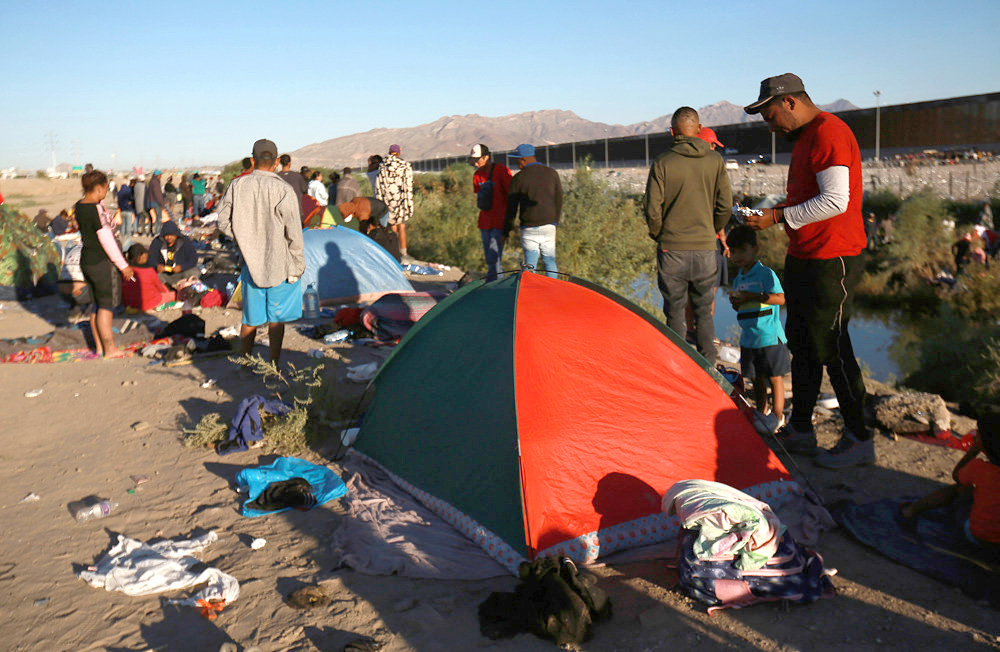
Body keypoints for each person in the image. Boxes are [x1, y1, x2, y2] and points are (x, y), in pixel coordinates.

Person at [742, 73, 872, 468]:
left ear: (791, 103)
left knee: (833, 347)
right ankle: (801, 429)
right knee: (803, 343)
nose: (769, 125)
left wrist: (777, 216)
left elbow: (835, 201)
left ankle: (859, 439)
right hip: (807, 255)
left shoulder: (828, 133)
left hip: (832, 259)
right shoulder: (804, 138)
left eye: (770, 116)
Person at [643, 107, 732, 362]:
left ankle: (678, 368)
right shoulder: (715, 161)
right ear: (699, 129)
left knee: (675, 313)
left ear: (672, 132)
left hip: (672, 249)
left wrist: (659, 233)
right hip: (706, 249)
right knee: (704, 312)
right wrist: (711, 229)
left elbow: (652, 208)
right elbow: (725, 205)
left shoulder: (663, 161)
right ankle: (710, 367)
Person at [217, 138, 305, 363]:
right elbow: (294, 231)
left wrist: (244, 239)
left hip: (250, 263)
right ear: (276, 161)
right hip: (280, 262)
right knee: (277, 319)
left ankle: (244, 363)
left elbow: (222, 222)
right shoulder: (283, 189)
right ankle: (274, 364)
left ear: (252, 160)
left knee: (250, 319)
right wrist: (297, 261)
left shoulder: (237, 185)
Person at [901, 410, 1000, 549]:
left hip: (978, 536)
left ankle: (911, 510)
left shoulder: (979, 468)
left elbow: (957, 475)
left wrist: (973, 450)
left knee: (960, 489)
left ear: (983, 442)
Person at [727, 225, 791, 432]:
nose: (738, 256)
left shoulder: (765, 274)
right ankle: (761, 412)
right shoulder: (738, 278)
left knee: (774, 377)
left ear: (755, 249)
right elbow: (740, 306)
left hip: (769, 337)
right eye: (734, 251)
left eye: (743, 250)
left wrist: (755, 296)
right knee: (756, 378)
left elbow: (781, 299)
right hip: (748, 338)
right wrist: (736, 302)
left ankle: (778, 416)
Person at [75, 170, 134, 357]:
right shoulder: (95, 209)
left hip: (87, 260)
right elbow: (106, 239)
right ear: (99, 188)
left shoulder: (79, 206)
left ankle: (99, 347)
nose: (106, 192)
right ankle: (109, 348)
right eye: (105, 189)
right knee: (106, 306)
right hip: (101, 262)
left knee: (96, 304)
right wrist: (123, 264)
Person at [505, 144, 561, 278]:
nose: (517, 163)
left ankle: (530, 294)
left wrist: (507, 228)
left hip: (528, 227)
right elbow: (559, 200)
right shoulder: (551, 173)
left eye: (517, 160)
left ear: (523, 159)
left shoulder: (518, 178)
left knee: (530, 264)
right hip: (548, 224)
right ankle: (554, 292)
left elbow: (511, 207)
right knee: (549, 260)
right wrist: (555, 221)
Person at [471, 143, 512, 282]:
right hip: (484, 222)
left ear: (486, 157)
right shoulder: (477, 175)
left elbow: (510, 195)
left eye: (478, 160)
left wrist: (508, 223)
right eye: (473, 160)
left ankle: (496, 285)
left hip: (499, 222)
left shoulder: (501, 170)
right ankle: (495, 284)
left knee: (495, 257)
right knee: (490, 257)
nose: (475, 163)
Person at [376, 144, 414, 260]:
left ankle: (394, 252)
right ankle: (403, 252)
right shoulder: (405, 166)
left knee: (392, 225)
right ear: (398, 153)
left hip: (388, 199)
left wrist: (380, 200)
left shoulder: (382, 166)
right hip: (401, 198)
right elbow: (409, 183)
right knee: (401, 225)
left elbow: (378, 184)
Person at [122, 244, 176, 310]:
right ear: (140, 256)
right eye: (145, 254)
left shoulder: (125, 271)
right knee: (173, 294)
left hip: (129, 303)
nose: (147, 255)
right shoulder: (149, 271)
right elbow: (161, 289)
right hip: (148, 304)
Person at [148, 221, 200, 287]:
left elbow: (193, 259)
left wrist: (181, 267)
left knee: (193, 272)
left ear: (176, 235)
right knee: (153, 276)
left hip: (182, 273)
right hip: (164, 274)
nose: (169, 237)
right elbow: (150, 258)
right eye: (166, 235)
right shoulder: (157, 242)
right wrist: (157, 265)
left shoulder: (185, 241)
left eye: (172, 235)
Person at [277, 154, 308, 221]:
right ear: (289, 163)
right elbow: (305, 190)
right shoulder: (298, 176)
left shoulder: (276, 177)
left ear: (280, 163)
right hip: (297, 211)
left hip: (280, 214)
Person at [147, 169, 172, 234]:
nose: (161, 176)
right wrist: (162, 204)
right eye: (160, 175)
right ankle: (157, 232)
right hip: (155, 203)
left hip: (150, 202)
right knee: (158, 218)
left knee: (152, 219)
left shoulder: (152, 181)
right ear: (158, 175)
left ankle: (151, 232)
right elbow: (157, 194)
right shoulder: (156, 182)